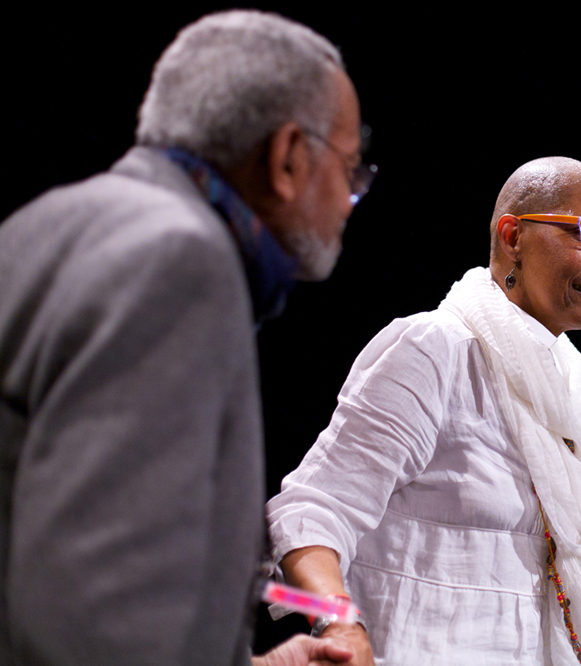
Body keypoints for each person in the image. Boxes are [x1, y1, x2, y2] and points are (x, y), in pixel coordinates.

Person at [0, 10, 375, 666]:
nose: (350, 199)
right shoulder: (181, 263)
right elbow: (98, 628)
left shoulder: (42, 224)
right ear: (287, 158)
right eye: (350, 169)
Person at [266, 157, 581, 665]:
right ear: (512, 236)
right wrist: (336, 622)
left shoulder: (570, 389)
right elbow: (306, 512)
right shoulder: (435, 350)